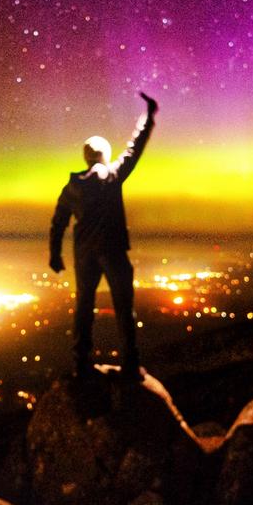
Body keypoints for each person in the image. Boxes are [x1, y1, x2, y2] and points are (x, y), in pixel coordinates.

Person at [49, 92, 158, 380]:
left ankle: (81, 364)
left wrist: (55, 254)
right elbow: (136, 148)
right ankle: (131, 365)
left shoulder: (71, 187)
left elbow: (58, 223)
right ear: (104, 156)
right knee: (124, 306)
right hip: (112, 250)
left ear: (85, 157)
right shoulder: (112, 176)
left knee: (84, 306)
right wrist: (148, 117)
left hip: (84, 255)